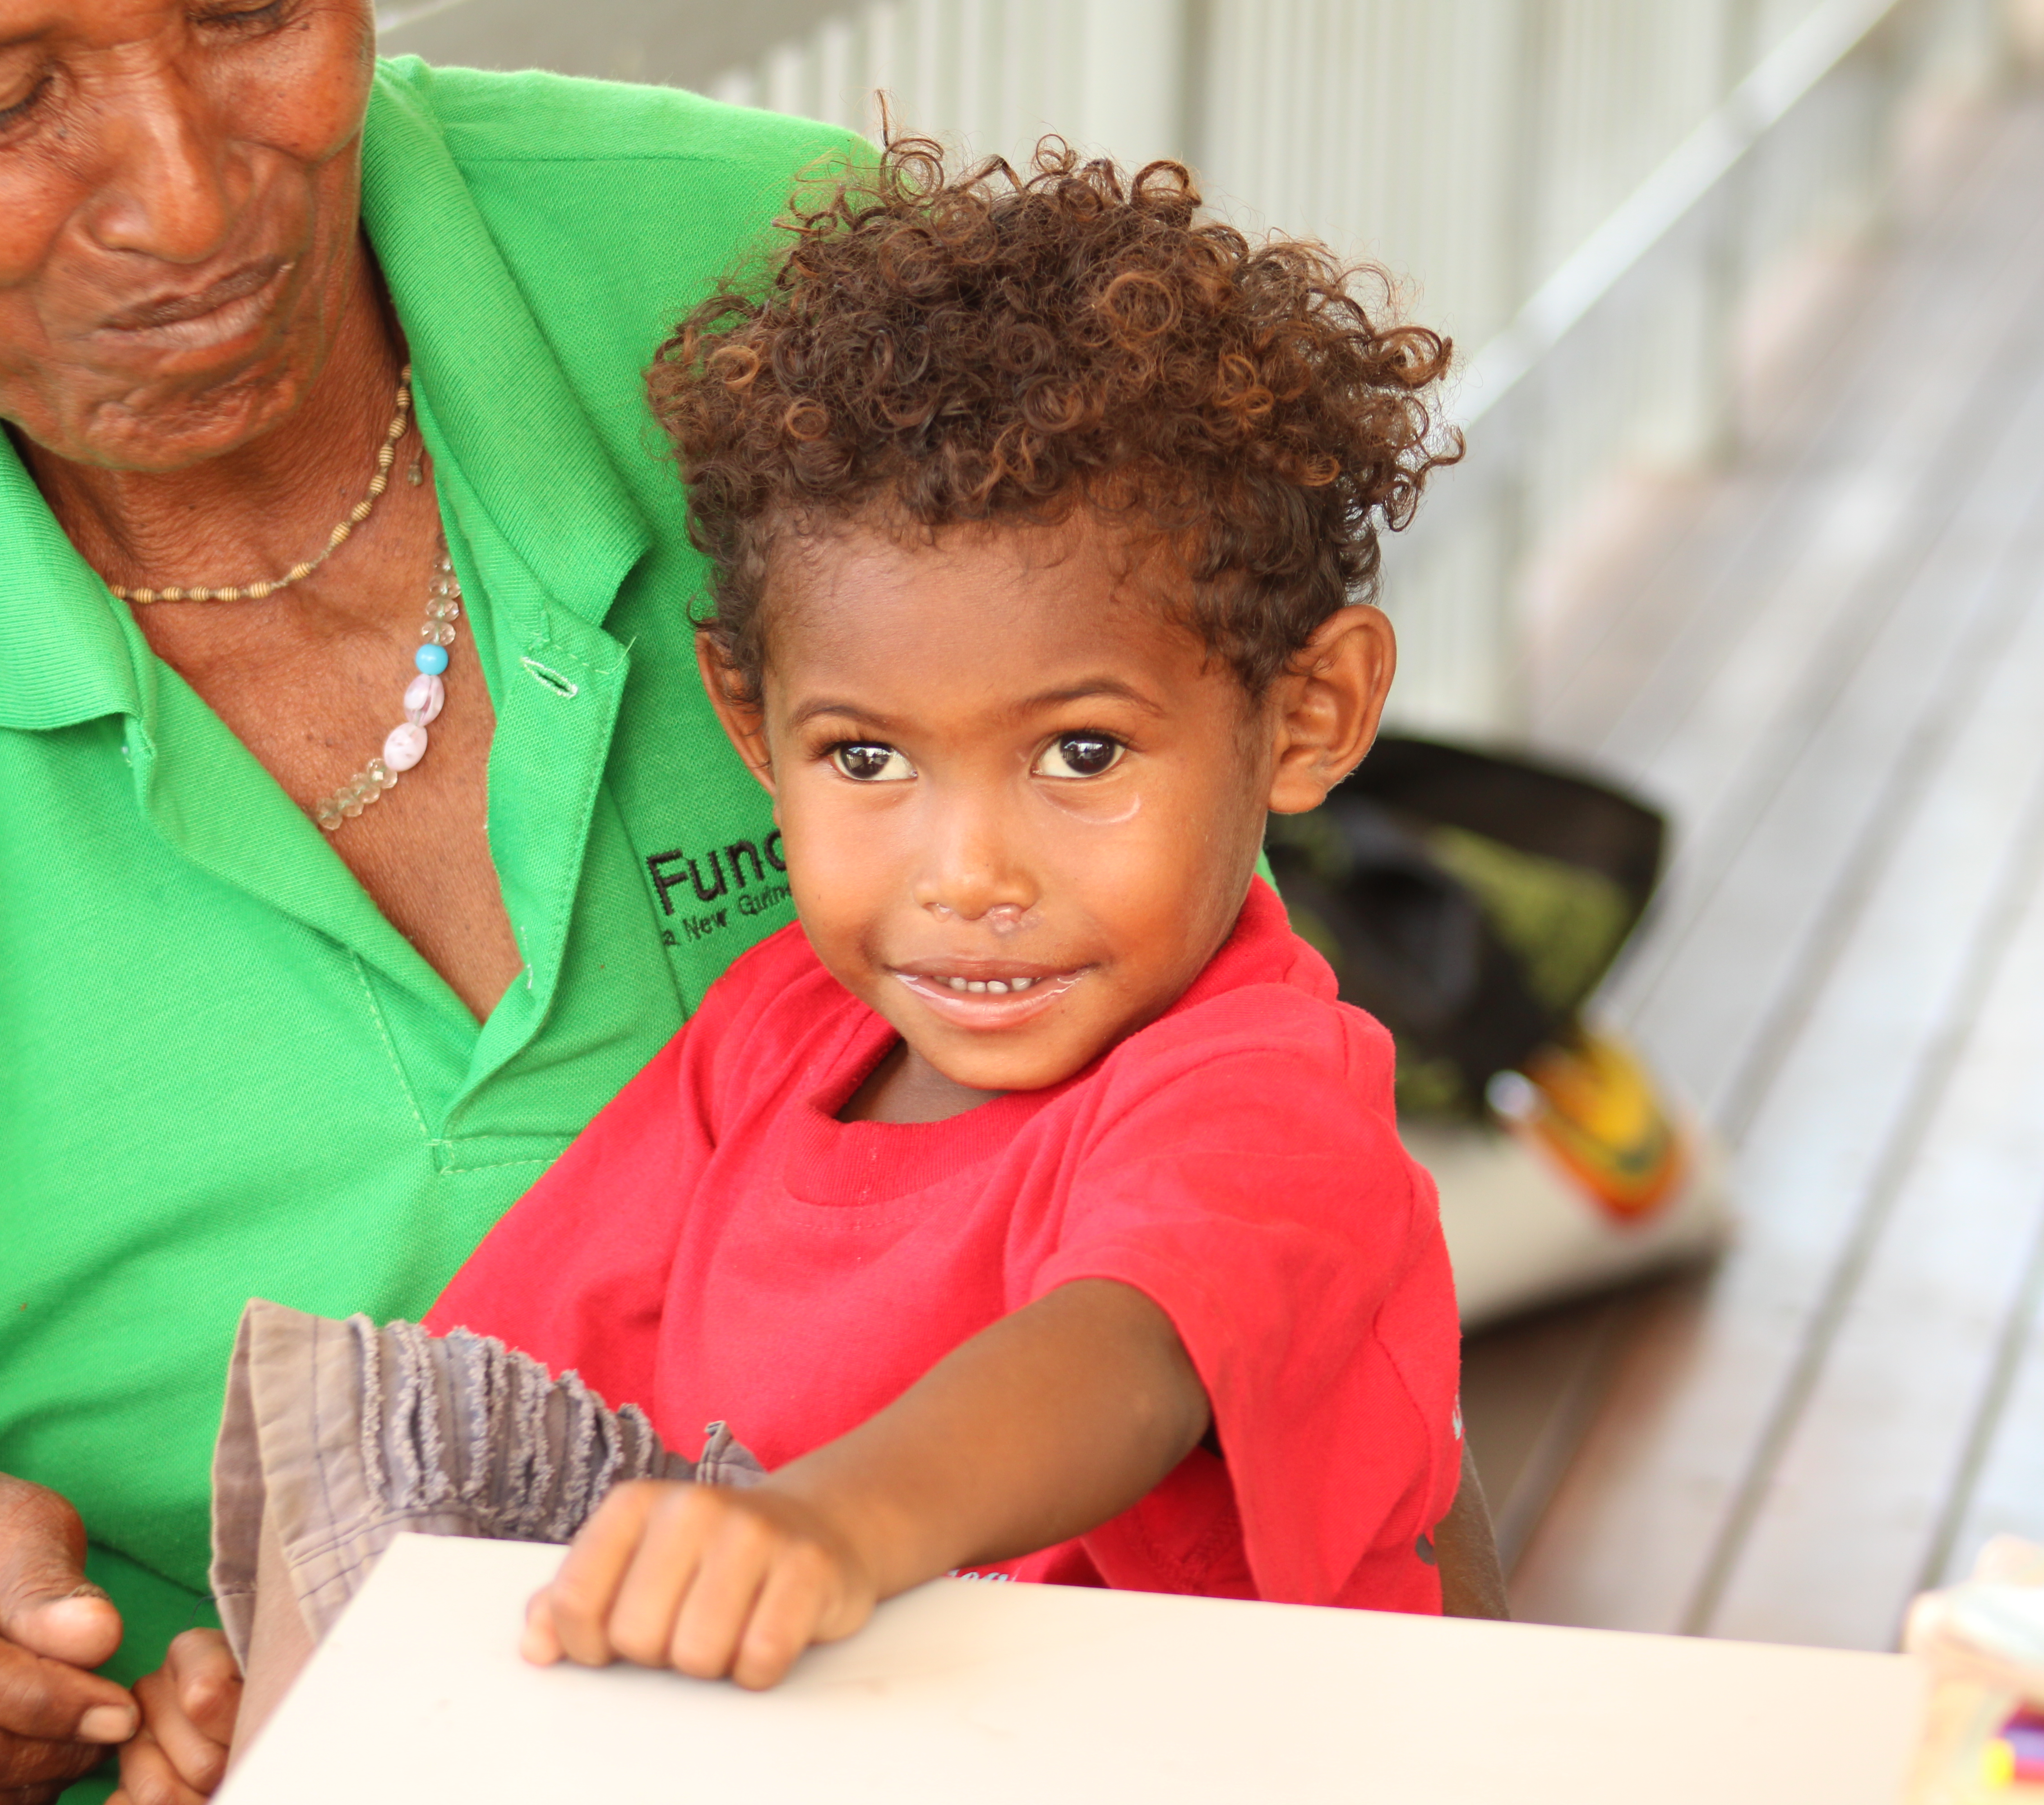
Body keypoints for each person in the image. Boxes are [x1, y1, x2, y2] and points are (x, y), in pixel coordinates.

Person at [0, 0, 1501, 1795]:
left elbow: (1214, 1253)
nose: (185, 202)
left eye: (253, 12)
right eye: (0, 97)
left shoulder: (786, 312)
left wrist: (834, 1521)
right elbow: (447, 1396)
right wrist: (243, 1677)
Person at [151, 140, 1494, 1789]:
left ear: (1310, 716)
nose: (969, 874)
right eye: (867, 762)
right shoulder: (772, 1038)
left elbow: (1127, 1355)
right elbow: (488, 1398)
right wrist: (334, 1663)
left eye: (1081, 753)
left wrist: (835, 1522)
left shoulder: (1260, 1090)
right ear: (751, 728)